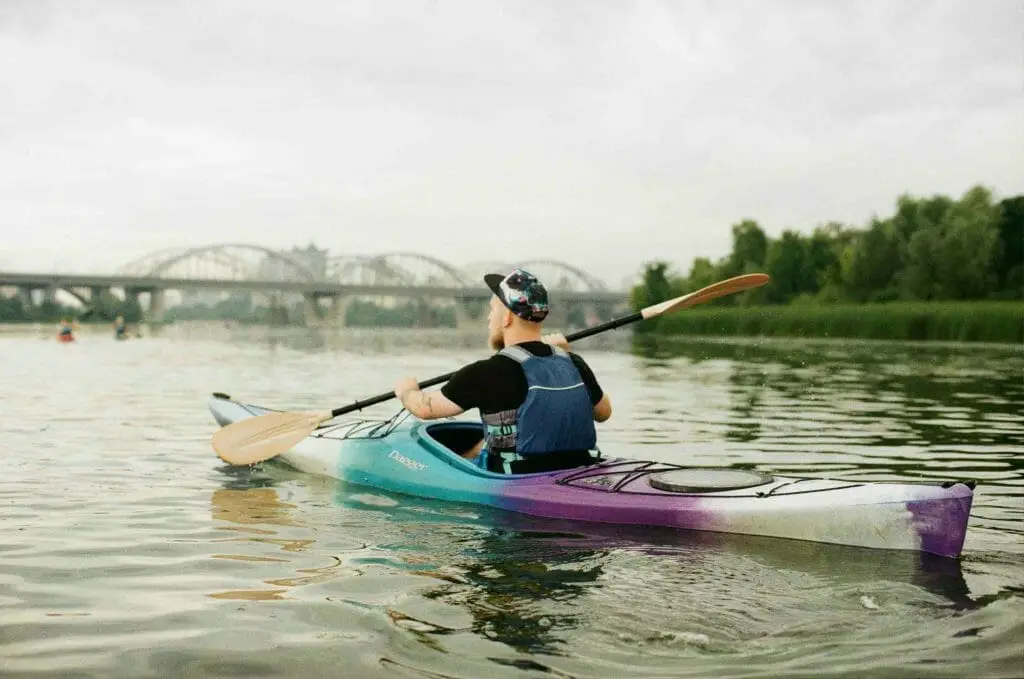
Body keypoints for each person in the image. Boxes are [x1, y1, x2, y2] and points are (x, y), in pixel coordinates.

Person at [393, 268, 612, 474]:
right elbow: (603, 413)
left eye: (492, 310)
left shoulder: (486, 372)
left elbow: (425, 408)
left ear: (507, 317)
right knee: (486, 441)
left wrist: (407, 391)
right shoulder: (572, 363)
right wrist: (566, 355)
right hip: (579, 471)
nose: (489, 318)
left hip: (518, 482)